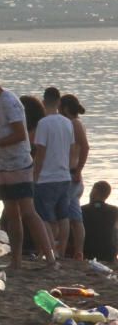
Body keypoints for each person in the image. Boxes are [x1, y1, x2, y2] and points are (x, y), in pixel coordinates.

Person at [0, 63, 56, 268]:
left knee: (28, 211)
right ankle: (16, 260)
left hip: (19, 162)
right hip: (2, 165)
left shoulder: (10, 101)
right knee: (11, 214)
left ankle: (50, 258)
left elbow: (20, 134)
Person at [33, 87, 76, 257]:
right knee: (63, 216)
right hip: (64, 175)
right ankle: (62, 251)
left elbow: (40, 152)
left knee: (44, 217)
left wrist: (35, 174)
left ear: (44, 102)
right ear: (59, 102)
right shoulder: (68, 123)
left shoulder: (43, 123)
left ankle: (50, 251)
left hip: (46, 177)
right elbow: (72, 150)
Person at [61, 93, 88, 259]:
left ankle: (76, 251)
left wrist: (78, 170)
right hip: (70, 175)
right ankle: (77, 251)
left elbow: (85, 147)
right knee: (73, 215)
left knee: (69, 216)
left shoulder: (75, 123)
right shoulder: (71, 123)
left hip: (73, 175)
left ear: (64, 108)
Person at [81, 181, 118, 263]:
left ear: (94, 191)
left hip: (87, 253)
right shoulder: (115, 210)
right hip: (108, 254)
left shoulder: (82, 210)